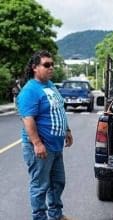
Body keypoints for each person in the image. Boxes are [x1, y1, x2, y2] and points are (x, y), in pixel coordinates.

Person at [17, 50, 73, 220]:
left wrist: (67, 130)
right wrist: (37, 143)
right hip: (41, 147)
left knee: (58, 182)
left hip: (55, 146)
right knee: (40, 186)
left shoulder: (50, 85)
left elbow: (59, 110)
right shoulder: (30, 90)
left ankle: (56, 215)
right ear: (35, 67)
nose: (51, 68)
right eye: (47, 65)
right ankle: (40, 217)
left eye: (52, 65)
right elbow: (28, 119)